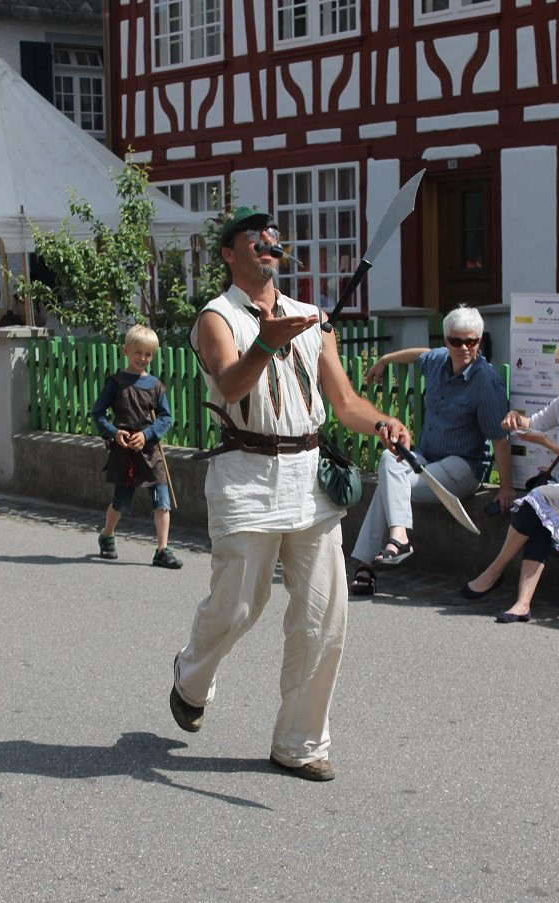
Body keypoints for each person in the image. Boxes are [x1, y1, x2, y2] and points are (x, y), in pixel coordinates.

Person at [169, 206, 409, 781]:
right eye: (253, 238)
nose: (266, 244)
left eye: (272, 238)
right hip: (246, 477)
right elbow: (230, 384)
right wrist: (266, 345)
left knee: (324, 616)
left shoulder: (311, 317)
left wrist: (382, 424)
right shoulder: (216, 317)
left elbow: (345, 401)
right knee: (238, 607)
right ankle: (190, 678)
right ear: (229, 254)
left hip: (308, 478)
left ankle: (300, 742)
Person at [348, 304, 515, 595]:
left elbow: (500, 440)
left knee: (391, 483)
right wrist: (386, 358)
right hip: (426, 457)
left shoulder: (486, 383)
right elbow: (420, 354)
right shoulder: (439, 360)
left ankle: (367, 565)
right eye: (456, 341)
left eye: (471, 341)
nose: (464, 347)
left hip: (463, 467)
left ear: (479, 340)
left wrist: (507, 487)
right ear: (446, 340)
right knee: (389, 458)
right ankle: (398, 536)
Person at [460, 331, 559, 622]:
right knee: (539, 517)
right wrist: (516, 419)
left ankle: (494, 571)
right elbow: (534, 423)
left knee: (538, 498)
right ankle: (522, 604)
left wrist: (549, 446)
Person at [91, 323, 182, 569]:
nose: (143, 358)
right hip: (124, 453)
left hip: (151, 452)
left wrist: (148, 433)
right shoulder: (116, 383)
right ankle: (107, 536)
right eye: (138, 352)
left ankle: (162, 550)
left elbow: (166, 417)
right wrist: (114, 432)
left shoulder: (155, 385)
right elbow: (97, 413)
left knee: (162, 500)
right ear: (126, 351)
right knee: (120, 501)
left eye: (149, 354)